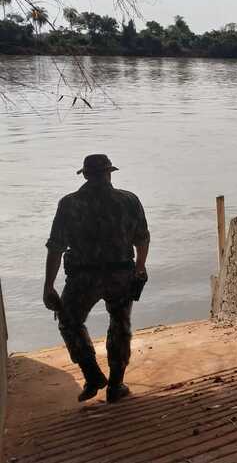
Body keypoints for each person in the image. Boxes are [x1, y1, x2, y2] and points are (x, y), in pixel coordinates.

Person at [43, 154, 150, 403]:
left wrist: (48, 286)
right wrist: (140, 269)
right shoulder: (129, 200)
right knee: (120, 326)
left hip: (82, 278)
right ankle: (115, 385)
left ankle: (92, 375)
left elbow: (56, 247)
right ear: (109, 173)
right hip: (121, 274)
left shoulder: (69, 204)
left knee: (69, 323)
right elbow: (142, 238)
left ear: (86, 175)